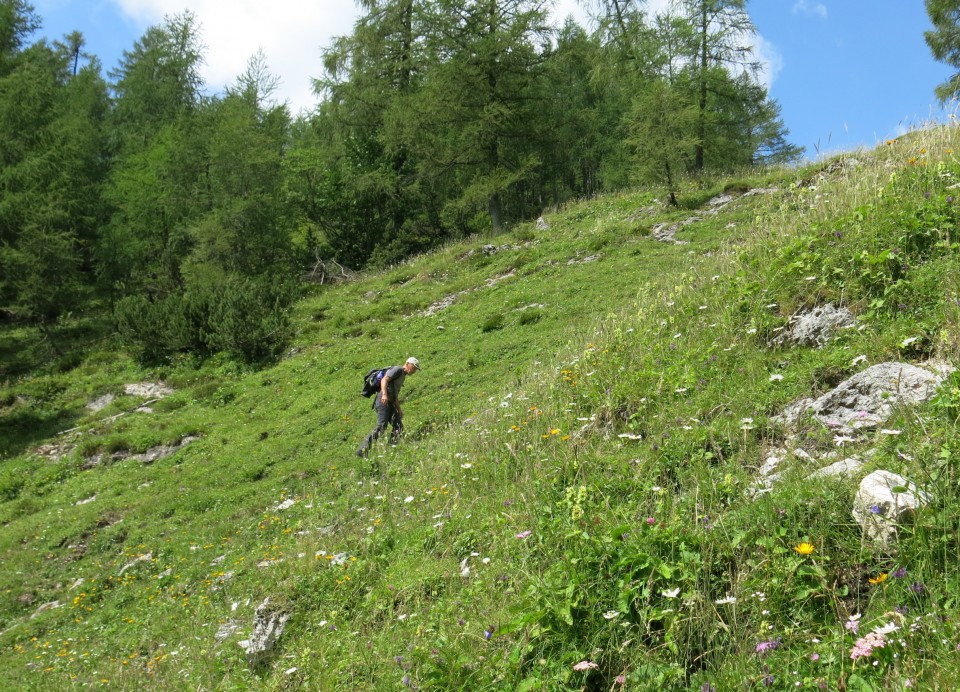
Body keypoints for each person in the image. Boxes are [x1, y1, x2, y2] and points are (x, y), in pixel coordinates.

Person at [356, 357, 421, 457]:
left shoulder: (402, 375)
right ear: (407, 364)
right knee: (382, 426)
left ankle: (392, 448)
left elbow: (395, 394)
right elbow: (384, 380)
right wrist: (384, 395)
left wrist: (399, 409)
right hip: (383, 401)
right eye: (414, 367)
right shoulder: (397, 369)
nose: (414, 370)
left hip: (390, 402)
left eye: (416, 369)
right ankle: (362, 449)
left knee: (398, 426)